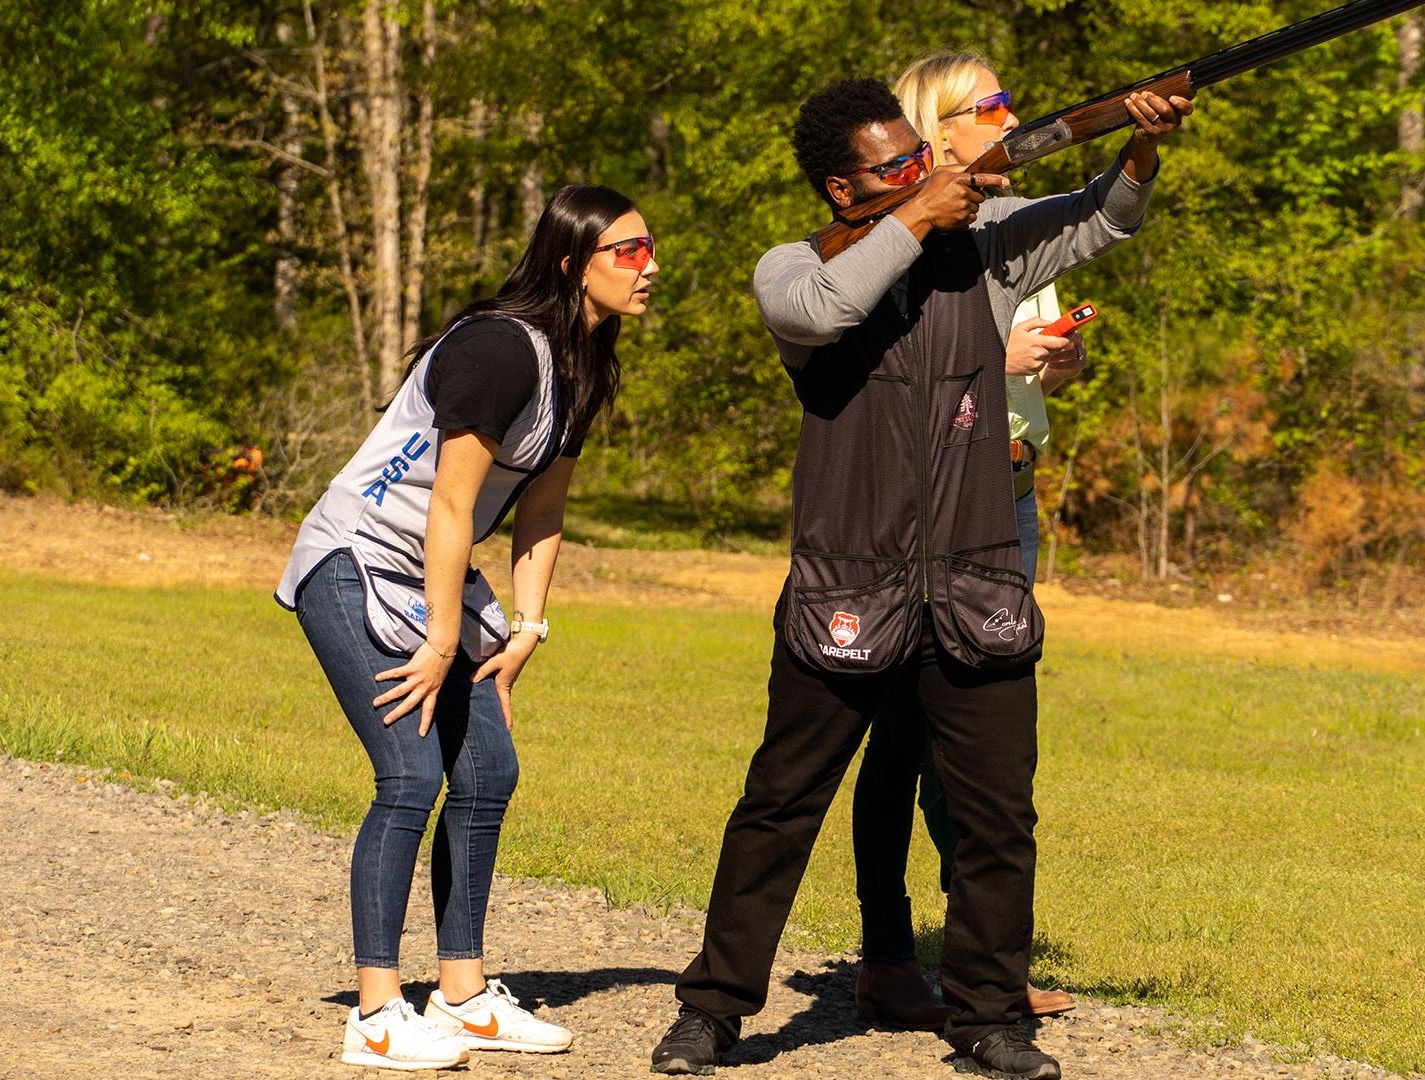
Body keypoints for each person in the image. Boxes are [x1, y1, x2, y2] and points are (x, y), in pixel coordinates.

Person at [651, 78, 1188, 1080]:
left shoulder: (983, 253)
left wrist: (1143, 145)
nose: (922, 171)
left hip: (976, 581)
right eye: (894, 165)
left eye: (919, 155)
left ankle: (988, 1017)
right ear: (838, 185)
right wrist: (920, 211)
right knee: (779, 808)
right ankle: (714, 1011)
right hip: (845, 589)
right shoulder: (793, 266)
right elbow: (826, 311)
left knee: (996, 820)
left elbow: (1103, 221)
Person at [274, 184, 658, 1072]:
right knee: (409, 773)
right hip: (356, 560)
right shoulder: (499, 350)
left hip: (436, 575)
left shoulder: (583, 365)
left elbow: (542, 512)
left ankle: (462, 992)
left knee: (488, 769)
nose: (651, 268)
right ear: (573, 263)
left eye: (650, 249)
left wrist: (527, 628)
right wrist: (446, 640)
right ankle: (375, 1016)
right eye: (629, 252)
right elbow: (449, 504)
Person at [851, 51, 1091, 1032]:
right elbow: (884, 371)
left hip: (1011, 492)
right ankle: (892, 954)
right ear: (937, 128)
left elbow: (1037, 376)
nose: (1011, 111)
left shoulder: (1021, 222)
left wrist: (1057, 361)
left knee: (984, 737)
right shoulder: (901, 235)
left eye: (1006, 94)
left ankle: (981, 958)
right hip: (930, 496)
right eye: (988, 102)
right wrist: (1000, 358)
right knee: (905, 732)